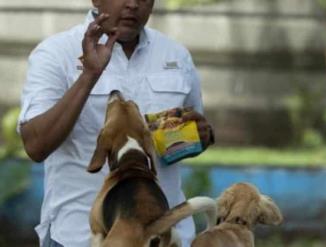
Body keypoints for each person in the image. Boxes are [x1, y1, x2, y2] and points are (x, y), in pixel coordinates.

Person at [18, 0, 214, 246]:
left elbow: (184, 137)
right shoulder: (56, 53)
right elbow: (36, 145)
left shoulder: (176, 56)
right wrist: (89, 75)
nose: (132, 4)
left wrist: (200, 136)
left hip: (164, 236)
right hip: (82, 237)